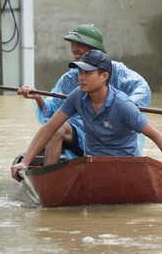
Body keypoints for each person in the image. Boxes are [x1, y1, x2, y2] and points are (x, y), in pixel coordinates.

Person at [11, 50, 162, 184]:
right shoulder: (77, 96)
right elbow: (50, 127)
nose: (81, 78)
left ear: (104, 76)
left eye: (88, 73)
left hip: (124, 167)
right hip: (92, 165)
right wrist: (26, 162)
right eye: (80, 72)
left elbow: (157, 134)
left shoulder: (123, 105)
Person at [17, 24, 151, 165]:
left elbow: (142, 89)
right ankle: (49, 178)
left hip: (116, 136)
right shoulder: (71, 82)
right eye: (72, 44)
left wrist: (128, 107)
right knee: (58, 128)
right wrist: (38, 98)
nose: (74, 49)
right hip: (85, 137)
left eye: (80, 45)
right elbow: (52, 118)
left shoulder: (118, 75)